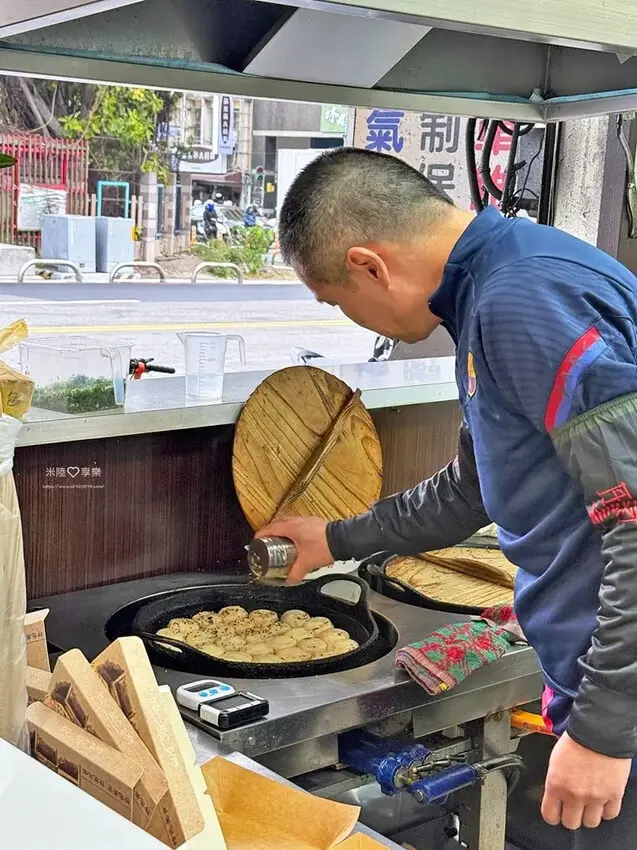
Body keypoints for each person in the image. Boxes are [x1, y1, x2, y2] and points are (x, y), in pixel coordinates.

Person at [254, 148, 637, 847]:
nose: (355, 321)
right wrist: (336, 538)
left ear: (370, 265)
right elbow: (474, 486)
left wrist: (606, 731)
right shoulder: (494, 284)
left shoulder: (521, 301)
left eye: (338, 301)